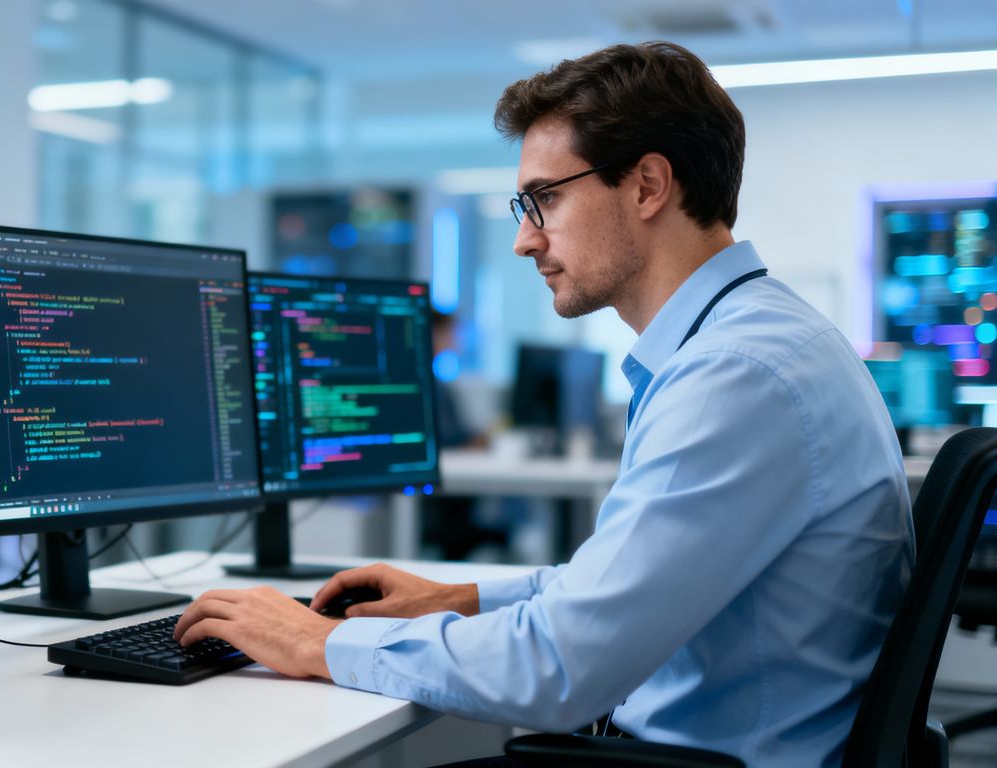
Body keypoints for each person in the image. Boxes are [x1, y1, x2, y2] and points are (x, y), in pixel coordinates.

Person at [174, 41, 912, 767]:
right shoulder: (756, 342)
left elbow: (557, 670)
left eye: (546, 199)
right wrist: (460, 597)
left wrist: (315, 641)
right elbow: (635, 584)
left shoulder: (737, 375)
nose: (527, 240)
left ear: (649, 185)